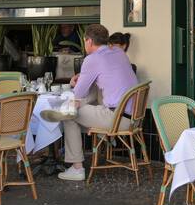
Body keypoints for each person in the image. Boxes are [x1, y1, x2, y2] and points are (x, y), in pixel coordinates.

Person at [56, 24, 138, 182]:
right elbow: (106, 73)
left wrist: (74, 84)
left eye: (85, 40)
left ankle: (77, 168)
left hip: (116, 119)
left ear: (89, 41)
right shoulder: (118, 52)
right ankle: (99, 132)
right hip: (133, 117)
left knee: (68, 113)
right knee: (90, 94)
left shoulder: (92, 59)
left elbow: (78, 92)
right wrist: (83, 77)